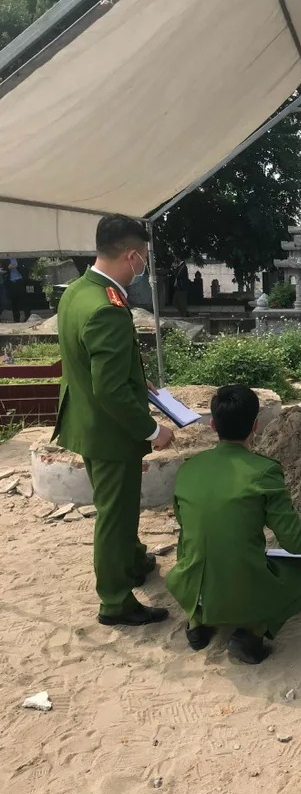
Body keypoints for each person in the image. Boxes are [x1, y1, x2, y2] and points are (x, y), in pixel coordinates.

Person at [53, 214, 175, 627]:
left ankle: (134, 560)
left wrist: (137, 381)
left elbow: (88, 363)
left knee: (120, 507)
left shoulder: (76, 293)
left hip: (87, 422)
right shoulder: (108, 308)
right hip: (111, 432)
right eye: (144, 258)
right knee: (115, 515)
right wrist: (153, 430)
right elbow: (109, 389)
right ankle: (115, 601)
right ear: (131, 255)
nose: (144, 266)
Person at [167, 385, 301, 662]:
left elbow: (187, 530)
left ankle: (197, 623)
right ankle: (251, 634)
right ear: (255, 426)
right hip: (240, 593)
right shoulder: (265, 472)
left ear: (213, 425)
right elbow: (295, 541)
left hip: (188, 586)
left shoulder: (188, 468)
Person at [7, 258, 29, 323]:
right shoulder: (6, 258)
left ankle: (27, 317)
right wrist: (8, 267)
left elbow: (26, 267)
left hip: (20, 281)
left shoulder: (19, 257)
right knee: (14, 302)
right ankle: (16, 319)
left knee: (24, 300)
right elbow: (3, 268)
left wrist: (18, 266)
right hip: (11, 282)